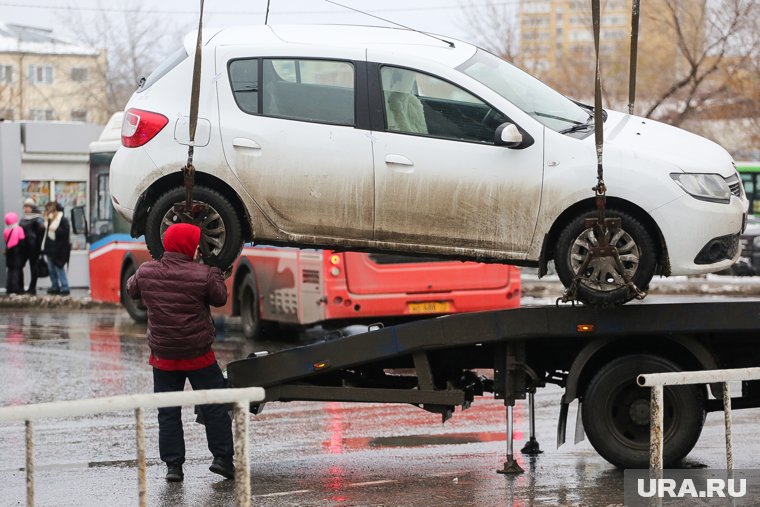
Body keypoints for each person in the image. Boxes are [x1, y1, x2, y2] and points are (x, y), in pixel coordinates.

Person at [126, 223, 234, 483]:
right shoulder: (203, 274)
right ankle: (222, 460)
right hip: (198, 355)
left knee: (168, 412)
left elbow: (132, 289)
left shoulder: (146, 271)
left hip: (163, 357)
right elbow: (220, 298)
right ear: (190, 246)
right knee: (215, 406)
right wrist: (215, 269)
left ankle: (173, 467)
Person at [42, 201, 71, 296]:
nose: (48, 213)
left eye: (50, 211)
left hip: (59, 249)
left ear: (56, 211)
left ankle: (65, 287)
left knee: (59, 268)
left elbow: (65, 234)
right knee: (51, 269)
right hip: (50, 249)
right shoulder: (48, 221)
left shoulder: (63, 220)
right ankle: (55, 286)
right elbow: (46, 236)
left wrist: (55, 228)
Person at [20, 198, 45, 295]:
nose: (25, 209)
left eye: (27, 207)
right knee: (20, 265)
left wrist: (36, 240)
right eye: (24, 206)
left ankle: (32, 288)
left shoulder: (37, 218)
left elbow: (42, 228)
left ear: (32, 208)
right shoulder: (24, 218)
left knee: (33, 266)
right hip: (23, 246)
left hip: (33, 246)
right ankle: (20, 287)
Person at [4, 212, 26, 294]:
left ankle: (9, 288)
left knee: (10, 270)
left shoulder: (6, 230)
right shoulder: (19, 229)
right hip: (17, 252)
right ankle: (16, 288)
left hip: (9, 252)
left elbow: (6, 241)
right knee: (17, 270)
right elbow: (22, 242)